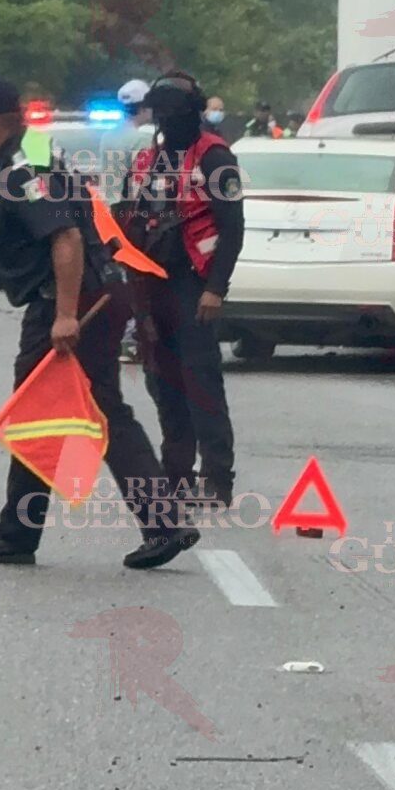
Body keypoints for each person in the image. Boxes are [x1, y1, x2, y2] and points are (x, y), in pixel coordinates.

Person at [0, 76, 199, 570]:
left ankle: (23, 533)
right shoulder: (20, 163)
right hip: (89, 295)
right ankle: (152, 522)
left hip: (73, 301)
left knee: (60, 410)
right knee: (71, 409)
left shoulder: (21, 173)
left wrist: (65, 315)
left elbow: (64, 237)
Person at [119, 71, 244, 511]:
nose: (165, 121)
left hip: (195, 284)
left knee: (200, 380)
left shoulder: (215, 158)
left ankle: (217, 478)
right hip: (151, 285)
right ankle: (176, 476)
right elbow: (129, 218)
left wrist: (216, 289)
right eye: (160, 113)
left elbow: (232, 228)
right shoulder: (146, 160)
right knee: (162, 382)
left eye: (171, 112)